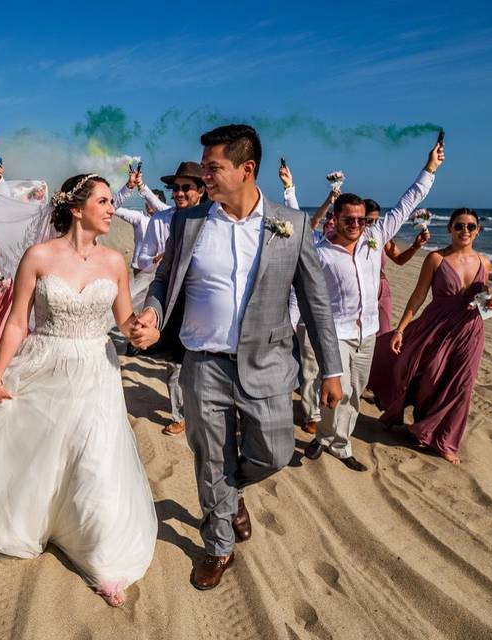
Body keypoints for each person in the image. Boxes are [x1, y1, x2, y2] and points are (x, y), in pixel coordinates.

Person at [0, 174, 157, 608]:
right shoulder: (38, 256)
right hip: (44, 363)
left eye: (112, 202)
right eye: (105, 201)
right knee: (35, 453)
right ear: (77, 208)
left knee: (95, 458)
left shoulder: (114, 262)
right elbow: (17, 322)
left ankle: (104, 558)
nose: (112, 209)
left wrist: (146, 327)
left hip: (96, 369)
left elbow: (127, 324)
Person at [132, 124, 343, 590]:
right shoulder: (188, 222)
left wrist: (331, 369)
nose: (204, 176)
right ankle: (218, 545)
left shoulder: (292, 223)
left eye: (213, 168)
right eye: (204, 167)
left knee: (275, 453)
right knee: (210, 459)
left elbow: (315, 302)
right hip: (202, 361)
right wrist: (151, 310)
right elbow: (165, 280)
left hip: (267, 364)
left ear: (247, 169)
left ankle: (233, 489)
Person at [304, 141, 444, 472]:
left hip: (367, 332)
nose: (356, 225)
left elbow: (407, 203)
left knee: (354, 392)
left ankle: (340, 443)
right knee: (333, 391)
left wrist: (430, 169)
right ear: (336, 218)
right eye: (349, 219)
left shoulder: (375, 237)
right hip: (335, 333)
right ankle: (323, 436)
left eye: (361, 220)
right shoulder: (320, 253)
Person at [376, 209, 492, 464]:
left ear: (478, 231)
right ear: (449, 229)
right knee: (429, 376)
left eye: (471, 227)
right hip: (436, 327)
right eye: (459, 226)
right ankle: (420, 421)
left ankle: (445, 442)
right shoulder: (436, 259)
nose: (465, 231)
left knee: (461, 385)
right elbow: (418, 296)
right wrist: (400, 329)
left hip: (470, 330)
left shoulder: (485, 263)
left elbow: (485, 300)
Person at [134, 161, 208, 437]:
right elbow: (147, 262)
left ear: (201, 190)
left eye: (186, 187)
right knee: (175, 368)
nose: (179, 193)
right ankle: (179, 414)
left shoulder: (216, 221)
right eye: (175, 188)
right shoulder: (164, 220)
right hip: (174, 308)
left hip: (206, 312)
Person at [281, 165, 340, 436]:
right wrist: (289, 187)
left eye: (332, 222)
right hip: (304, 313)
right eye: (326, 222)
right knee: (309, 368)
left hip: (338, 318)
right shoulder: (313, 242)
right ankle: (311, 413)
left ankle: (329, 412)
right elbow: (301, 217)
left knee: (328, 367)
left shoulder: (347, 247)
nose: (329, 224)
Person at [363, 198, 430, 405]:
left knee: (384, 336)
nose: (372, 225)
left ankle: (381, 387)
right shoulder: (352, 237)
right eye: (368, 220)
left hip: (382, 290)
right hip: (362, 290)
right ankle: (362, 381)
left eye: (376, 220)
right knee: (363, 335)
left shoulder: (382, 238)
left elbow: (400, 260)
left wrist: (416, 246)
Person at [111, 168, 170, 274]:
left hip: (163, 268)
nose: (148, 204)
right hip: (140, 267)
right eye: (146, 202)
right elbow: (114, 209)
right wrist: (129, 187)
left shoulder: (169, 217)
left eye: (151, 201)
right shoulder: (140, 218)